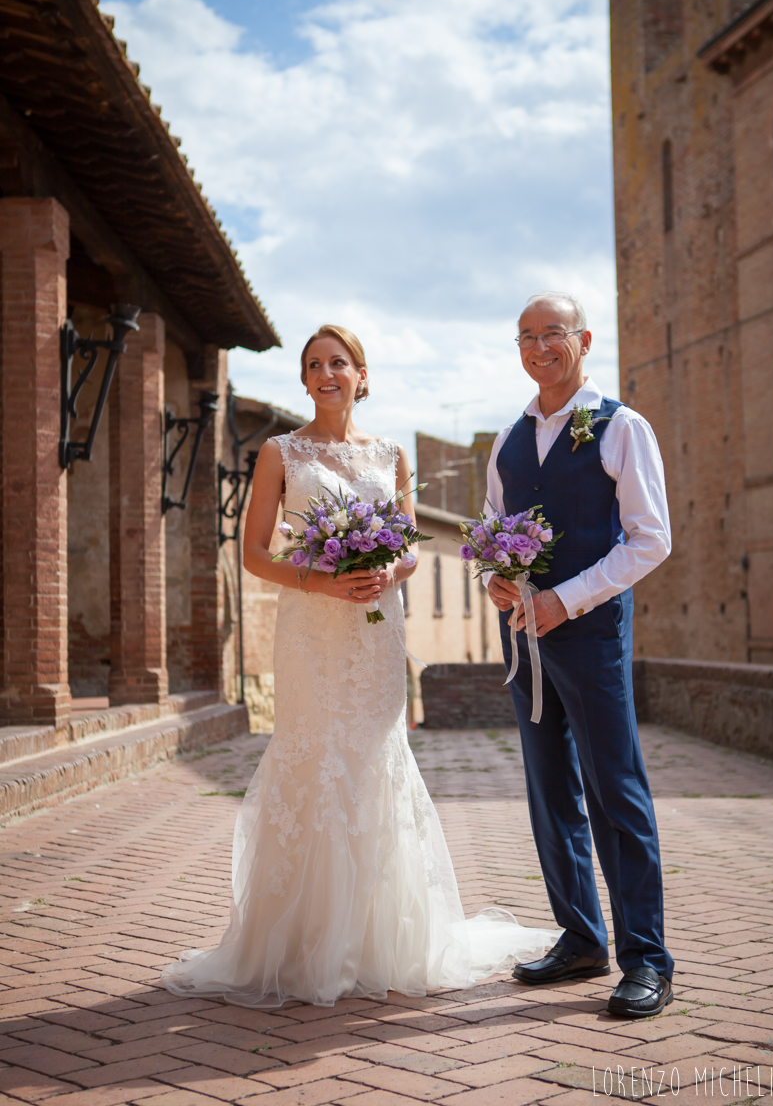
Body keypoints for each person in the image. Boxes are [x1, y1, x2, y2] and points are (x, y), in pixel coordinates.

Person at [161, 323, 558, 1008]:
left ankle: (381, 939)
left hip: (377, 632)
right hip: (312, 629)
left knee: (377, 759)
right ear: (306, 379)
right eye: (313, 364)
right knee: (313, 756)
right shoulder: (278, 453)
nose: (325, 373)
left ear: (362, 376)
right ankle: (301, 942)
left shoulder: (392, 454)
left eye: (338, 363)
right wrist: (322, 581)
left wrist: (387, 570)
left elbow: (407, 544)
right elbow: (254, 552)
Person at [485, 292, 674, 1019]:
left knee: (614, 793)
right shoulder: (509, 440)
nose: (539, 348)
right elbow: (495, 534)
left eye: (552, 333)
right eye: (526, 337)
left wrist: (570, 598)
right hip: (523, 640)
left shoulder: (623, 427)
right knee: (549, 790)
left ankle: (647, 959)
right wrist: (495, 579)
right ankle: (581, 937)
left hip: (591, 637)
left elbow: (650, 538)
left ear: (584, 340)